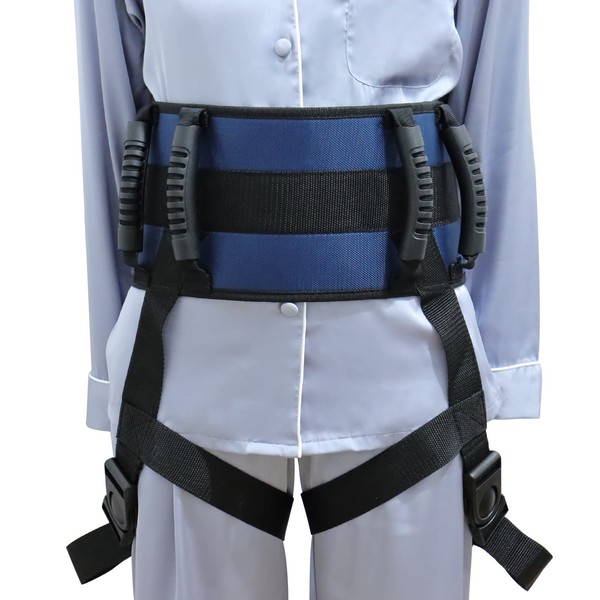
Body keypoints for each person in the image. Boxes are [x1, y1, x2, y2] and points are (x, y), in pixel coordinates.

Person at [69, 1, 549, 598]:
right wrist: (113, 372)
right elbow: (110, 124)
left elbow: (497, 108)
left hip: (406, 380)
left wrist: (499, 365)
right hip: (188, 380)